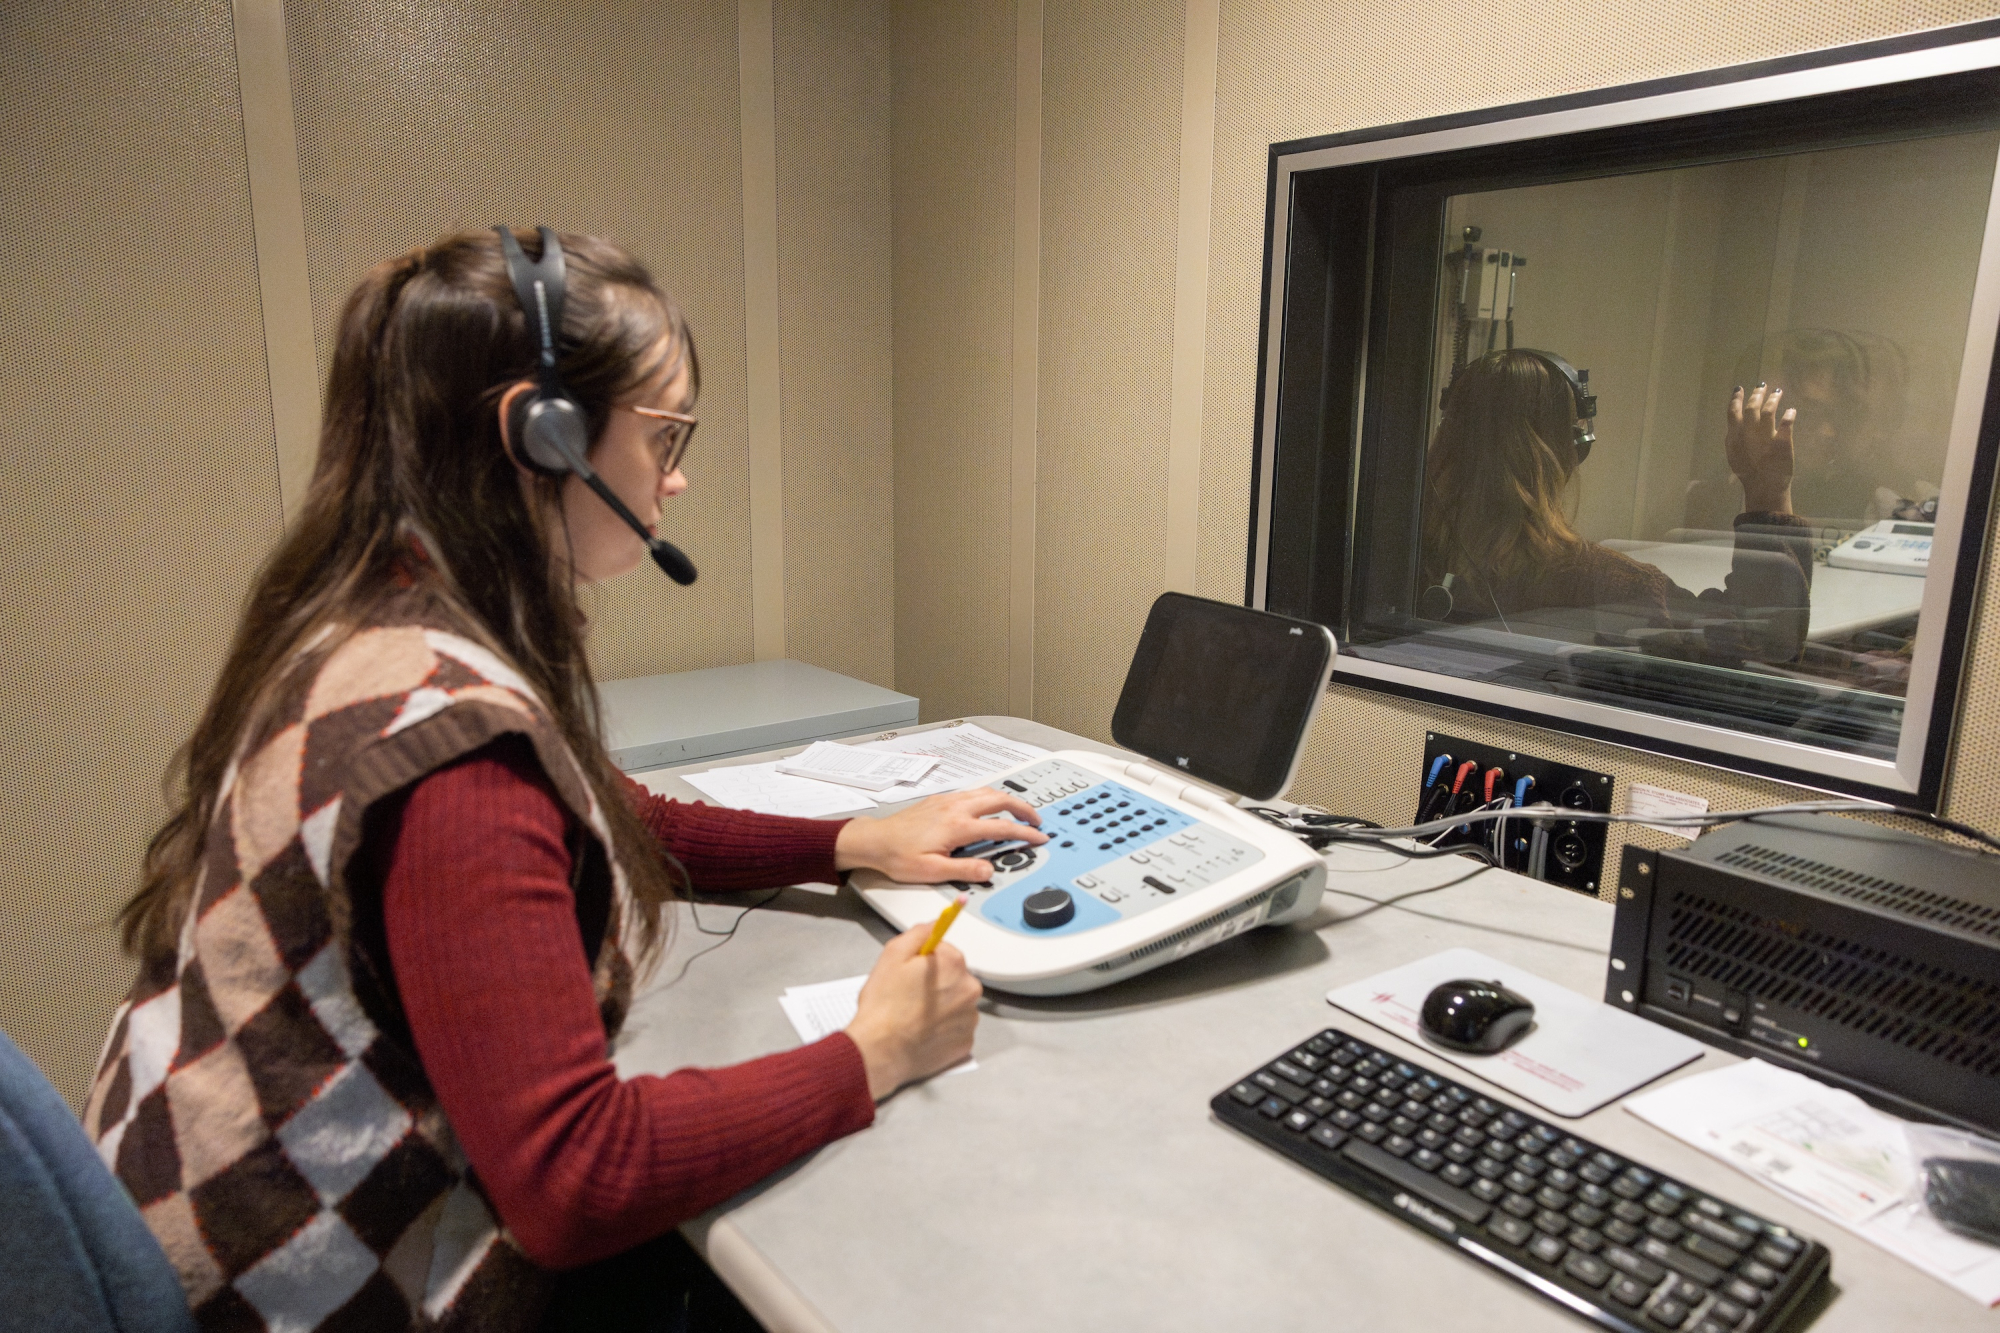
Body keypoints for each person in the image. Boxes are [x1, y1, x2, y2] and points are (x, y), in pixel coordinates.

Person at [83, 229, 1045, 1333]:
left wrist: (848, 839)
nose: (677, 475)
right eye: (664, 432)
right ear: (543, 438)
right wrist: (873, 1052)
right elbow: (571, 1184)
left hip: (222, 1222)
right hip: (332, 1289)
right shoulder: (455, 751)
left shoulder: (374, 619)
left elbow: (586, 810)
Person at [1418, 349, 1813, 663]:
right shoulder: (1608, 586)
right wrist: (1768, 493)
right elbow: (1765, 644)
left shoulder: (1399, 565)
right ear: (1569, 451)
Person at [1684, 328, 1913, 529]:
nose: (1828, 431)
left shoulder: (1879, 511)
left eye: (1838, 413)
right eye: (1805, 410)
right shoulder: (1698, 500)